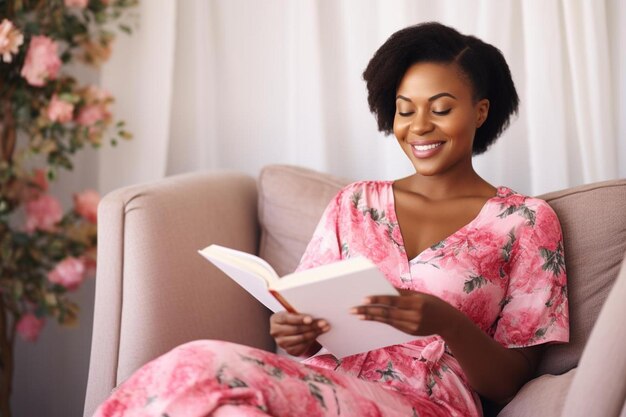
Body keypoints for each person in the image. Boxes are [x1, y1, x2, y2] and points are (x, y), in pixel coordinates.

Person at [94, 22, 568, 417]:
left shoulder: (525, 221)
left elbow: (512, 381)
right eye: (405, 110)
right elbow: (306, 328)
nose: (419, 126)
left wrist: (446, 322)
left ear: (481, 111)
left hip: (425, 404)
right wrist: (294, 333)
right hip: (322, 388)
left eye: (440, 109)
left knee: (200, 361)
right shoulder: (354, 204)